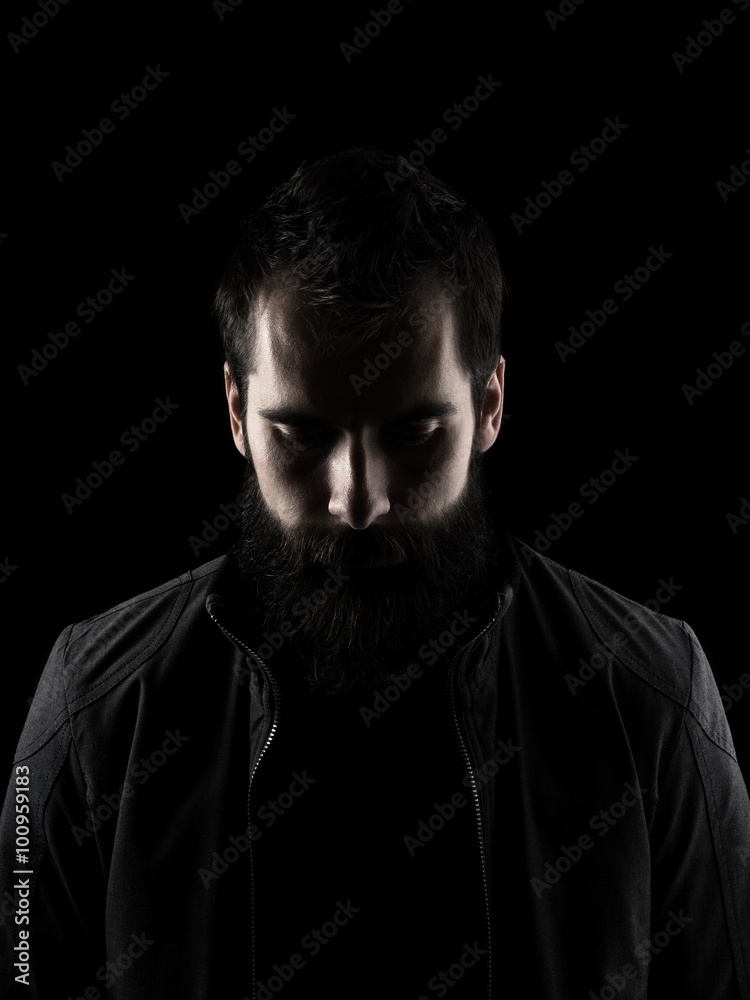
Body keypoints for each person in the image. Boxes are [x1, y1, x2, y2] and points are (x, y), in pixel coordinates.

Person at [1, 146, 748, 1000]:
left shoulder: (653, 696)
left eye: (415, 433)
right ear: (237, 414)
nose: (359, 501)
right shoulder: (93, 703)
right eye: (302, 435)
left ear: (492, 405)